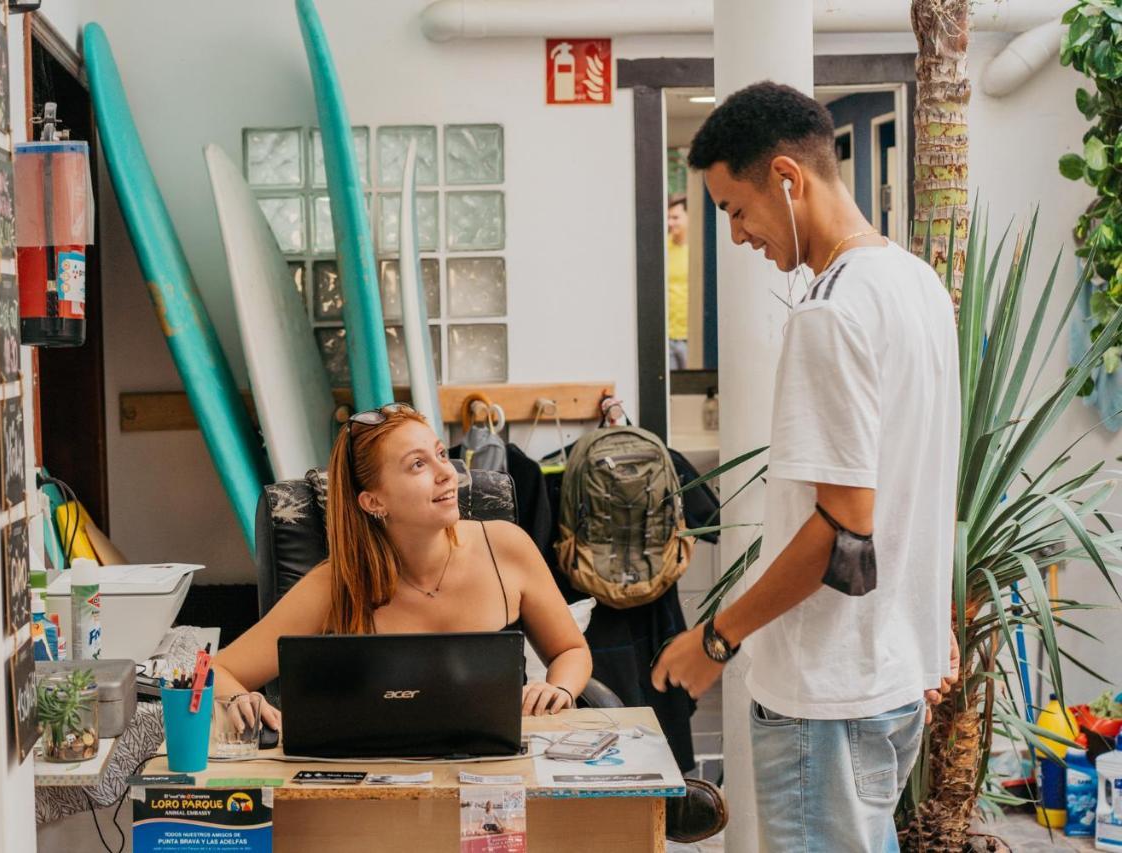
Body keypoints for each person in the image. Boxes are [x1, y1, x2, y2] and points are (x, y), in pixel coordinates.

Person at [651, 82, 961, 852]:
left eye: (734, 208)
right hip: (887, 675)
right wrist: (929, 622)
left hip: (828, 691)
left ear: (788, 178)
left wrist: (715, 638)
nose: (737, 234)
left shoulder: (832, 312)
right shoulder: (916, 284)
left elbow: (843, 528)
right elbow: (913, 484)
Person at [212, 403, 592, 734]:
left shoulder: (507, 546)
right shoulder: (336, 585)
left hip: (495, 783)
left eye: (441, 454)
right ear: (373, 501)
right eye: (417, 464)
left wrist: (558, 689)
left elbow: (571, 650)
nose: (447, 473)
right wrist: (241, 702)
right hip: (377, 788)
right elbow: (215, 674)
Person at [667, 194, 690, 370]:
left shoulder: (697, 251)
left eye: (675, 217)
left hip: (690, 339)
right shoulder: (663, 249)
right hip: (668, 338)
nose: (670, 223)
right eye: (668, 217)